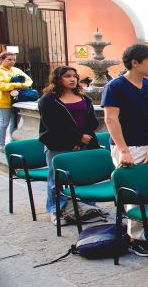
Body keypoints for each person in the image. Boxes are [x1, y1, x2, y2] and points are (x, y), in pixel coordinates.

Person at [101, 44, 148, 257]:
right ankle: (136, 237)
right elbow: (111, 119)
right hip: (126, 146)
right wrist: (124, 150)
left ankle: (141, 230)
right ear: (135, 62)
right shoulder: (116, 86)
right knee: (134, 193)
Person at [38, 66, 100, 225]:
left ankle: (86, 207)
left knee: (84, 176)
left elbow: (92, 121)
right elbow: (52, 125)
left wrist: (81, 140)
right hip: (57, 144)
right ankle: (56, 210)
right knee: (56, 179)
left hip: (83, 142)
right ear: (58, 79)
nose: (72, 79)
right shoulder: (48, 99)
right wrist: (77, 138)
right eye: (67, 76)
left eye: (74, 76)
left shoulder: (84, 98)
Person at [0, 51, 33, 152]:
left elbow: (29, 81)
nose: (12, 62)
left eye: (14, 60)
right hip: (3, 102)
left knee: (14, 123)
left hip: (17, 101)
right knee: (4, 123)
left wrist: (24, 85)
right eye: (9, 59)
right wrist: (18, 85)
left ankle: (13, 142)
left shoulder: (16, 70)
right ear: (2, 60)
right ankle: (1, 145)